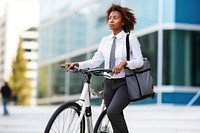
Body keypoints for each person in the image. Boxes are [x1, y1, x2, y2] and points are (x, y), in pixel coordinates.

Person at [64, 3, 144, 133]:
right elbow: (96, 61)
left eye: (115, 18)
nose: (111, 21)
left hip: (125, 83)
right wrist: (78, 64)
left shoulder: (130, 38)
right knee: (114, 114)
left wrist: (125, 63)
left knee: (112, 111)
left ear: (123, 22)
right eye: (110, 18)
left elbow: (139, 61)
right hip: (108, 83)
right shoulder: (105, 40)